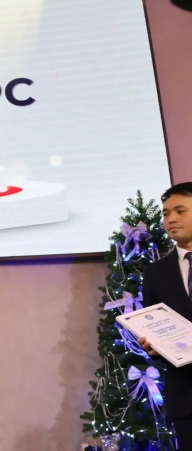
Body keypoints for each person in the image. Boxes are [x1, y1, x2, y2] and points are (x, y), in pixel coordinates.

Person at [139, 182, 192, 448]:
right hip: (186, 398)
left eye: (180, 211)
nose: (170, 219)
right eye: (166, 213)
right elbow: (152, 325)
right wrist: (153, 346)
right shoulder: (156, 272)